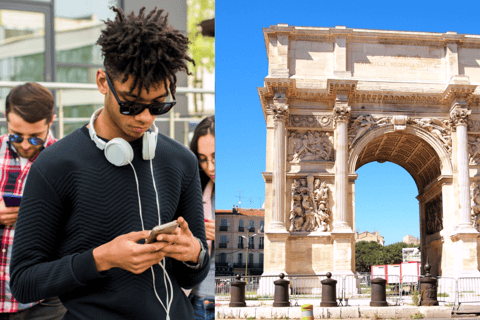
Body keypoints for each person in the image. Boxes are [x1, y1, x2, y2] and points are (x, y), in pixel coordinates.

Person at [10, 7, 209, 320]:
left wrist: (194, 253)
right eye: (131, 105)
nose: (145, 118)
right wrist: (101, 258)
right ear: (103, 81)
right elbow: (23, 282)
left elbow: (191, 277)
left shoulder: (181, 160)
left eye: (159, 106)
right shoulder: (54, 165)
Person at [0, 83, 66, 319]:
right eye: (17, 136)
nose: (26, 145)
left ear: (51, 120)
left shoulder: (66, 160)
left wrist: (36, 214)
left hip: (45, 299)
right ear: (6, 119)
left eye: (35, 138)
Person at [189, 115, 215, 320]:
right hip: (201, 300)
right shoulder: (193, 192)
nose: (210, 167)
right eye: (203, 159)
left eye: (216, 157)